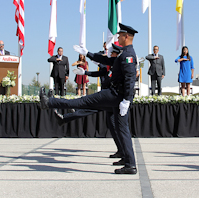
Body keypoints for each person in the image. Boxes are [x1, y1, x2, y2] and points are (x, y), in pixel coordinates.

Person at [39, 23, 138, 175]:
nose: (117, 37)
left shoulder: (128, 55)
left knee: (81, 102)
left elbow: (130, 79)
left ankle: (49, 102)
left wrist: (126, 100)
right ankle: (129, 162)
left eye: (119, 36)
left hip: (115, 95)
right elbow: (106, 61)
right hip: (116, 96)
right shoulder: (124, 53)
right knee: (121, 129)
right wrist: (88, 53)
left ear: (126, 36)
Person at [54, 43, 124, 160]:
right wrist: (86, 73)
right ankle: (121, 150)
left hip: (111, 96)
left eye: (111, 51)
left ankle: (66, 118)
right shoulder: (106, 61)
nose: (109, 52)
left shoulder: (118, 62)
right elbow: (101, 73)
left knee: (91, 107)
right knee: (111, 124)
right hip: (106, 93)